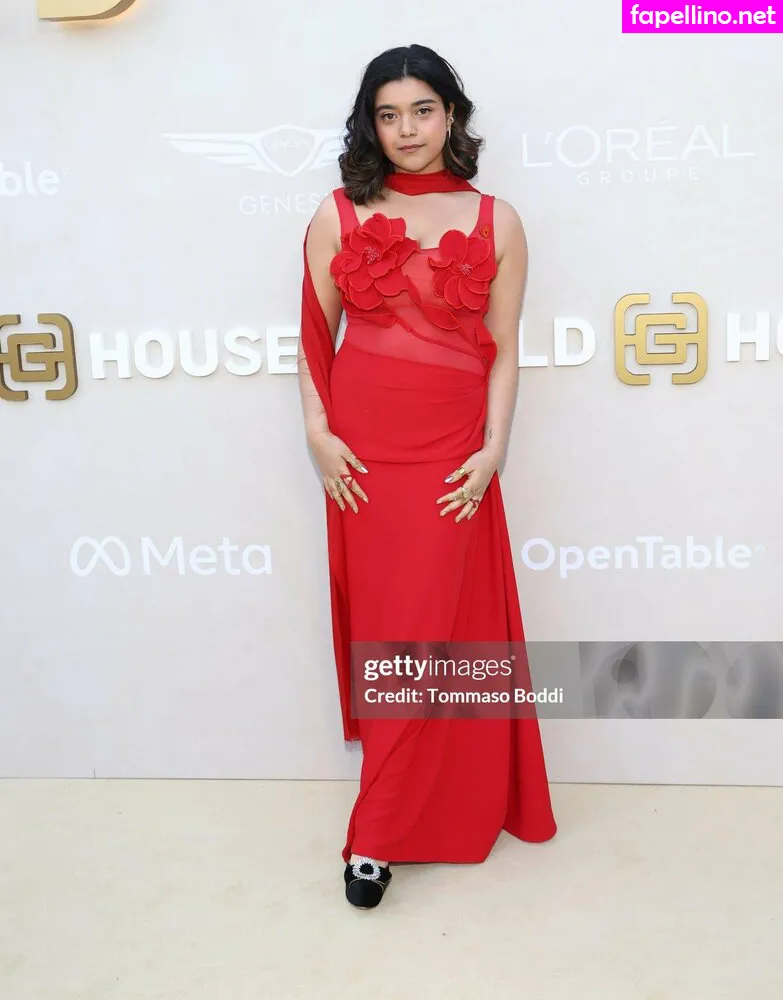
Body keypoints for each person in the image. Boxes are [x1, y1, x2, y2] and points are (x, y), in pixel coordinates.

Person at [298, 43, 557, 910]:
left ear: (451, 115)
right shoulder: (337, 213)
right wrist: (318, 433)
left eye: (421, 110)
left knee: (442, 630)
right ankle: (380, 831)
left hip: (453, 457)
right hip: (364, 461)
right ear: (368, 125)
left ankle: (403, 819)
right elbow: (314, 339)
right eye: (387, 114)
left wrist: (492, 450)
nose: (405, 129)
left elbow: (504, 350)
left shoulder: (497, 220)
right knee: (392, 632)